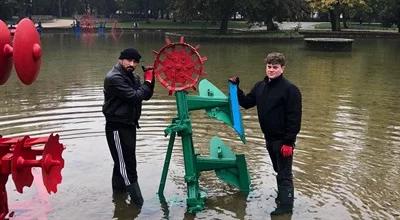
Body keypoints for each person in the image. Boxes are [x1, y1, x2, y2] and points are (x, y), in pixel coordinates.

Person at [229, 52, 302, 216]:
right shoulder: (260, 86)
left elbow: (294, 118)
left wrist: (289, 142)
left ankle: (286, 207)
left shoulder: (290, 90)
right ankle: (282, 198)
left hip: (283, 140)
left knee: (284, 173)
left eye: (275, 67)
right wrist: (236, 88)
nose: (271, 70)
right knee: (278, 169)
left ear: (282, 68)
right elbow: (247, 103)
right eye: (269, 67)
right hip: (269, 138)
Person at [103, 48, 155, 208]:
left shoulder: (132, 76)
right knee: (128, 166)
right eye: (129, 60)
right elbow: (135, 97)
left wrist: (150, 80)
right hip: (117, 127)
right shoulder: (114, 78)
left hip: (128, 125)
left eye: (135, 62)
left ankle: (118, 198)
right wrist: (146, 82)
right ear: (121, 59)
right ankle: (138, 205)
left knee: (122, 163)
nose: (132, 64)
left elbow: (145, 95)